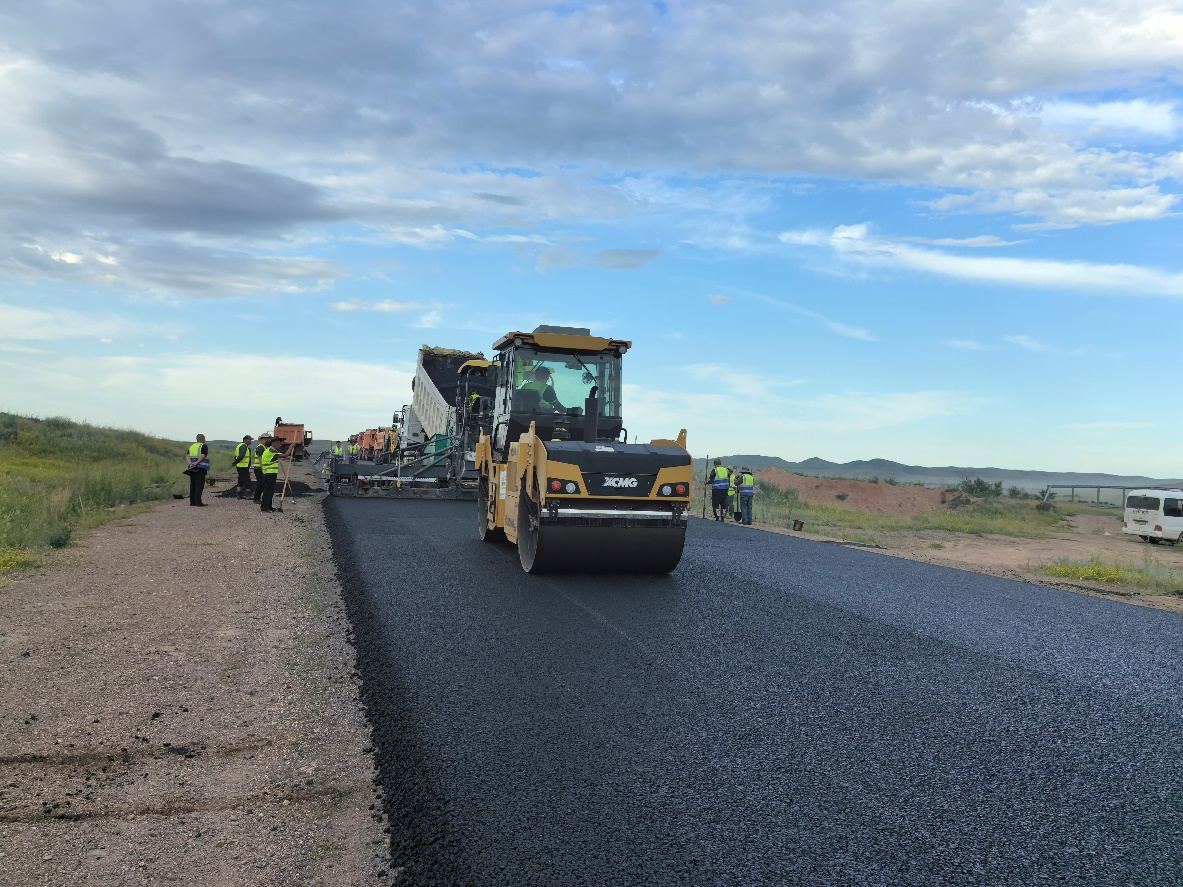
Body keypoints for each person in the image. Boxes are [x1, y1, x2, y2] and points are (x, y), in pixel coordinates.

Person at [258, 435, 287, 512]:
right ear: (273, 443)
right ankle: (264, 508)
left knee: (271, 491)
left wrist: (282, 444)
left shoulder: (272, 450)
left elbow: (280, 451)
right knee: (268, 490)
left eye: (280, 443)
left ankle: (269, 506)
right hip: (269, 474)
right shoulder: (271, 451)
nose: (279, 445)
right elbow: (285, 455)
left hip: (271, 473)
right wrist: (292, 446)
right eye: (278, 443)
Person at [185, 434, 211, 507]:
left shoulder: (192, 446)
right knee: (199, 485)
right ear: (203, 439)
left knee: (193, 484)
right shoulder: (203, 445)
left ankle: (192, 502)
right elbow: (203, 455)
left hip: (192, 468)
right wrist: (196, 463)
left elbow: (187, 456)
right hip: (201, 467)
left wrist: (191, 463)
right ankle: (198, 502)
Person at [252, 433, 271, 503]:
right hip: (259, 468)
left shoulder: (265, 447)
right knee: (260, 484)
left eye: (267, 439)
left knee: (262, 484)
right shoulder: (260, 447)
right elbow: (260, 458)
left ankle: (258, 497)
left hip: (260, 468)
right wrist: (263, 468)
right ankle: (256, 498)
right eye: (265, 439)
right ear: (262, 439)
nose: (267, 440)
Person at [233, 435, 253, 499]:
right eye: (250, 440)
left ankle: (239, 494)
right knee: (247, 480)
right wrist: (235, 462)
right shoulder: (243, 446)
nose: (251, 441)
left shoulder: (241, 446)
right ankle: (248, 494)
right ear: (245, 440)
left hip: (241, 466)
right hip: (243, 466)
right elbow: (241, 456)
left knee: (241, 479)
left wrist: (235, 462)